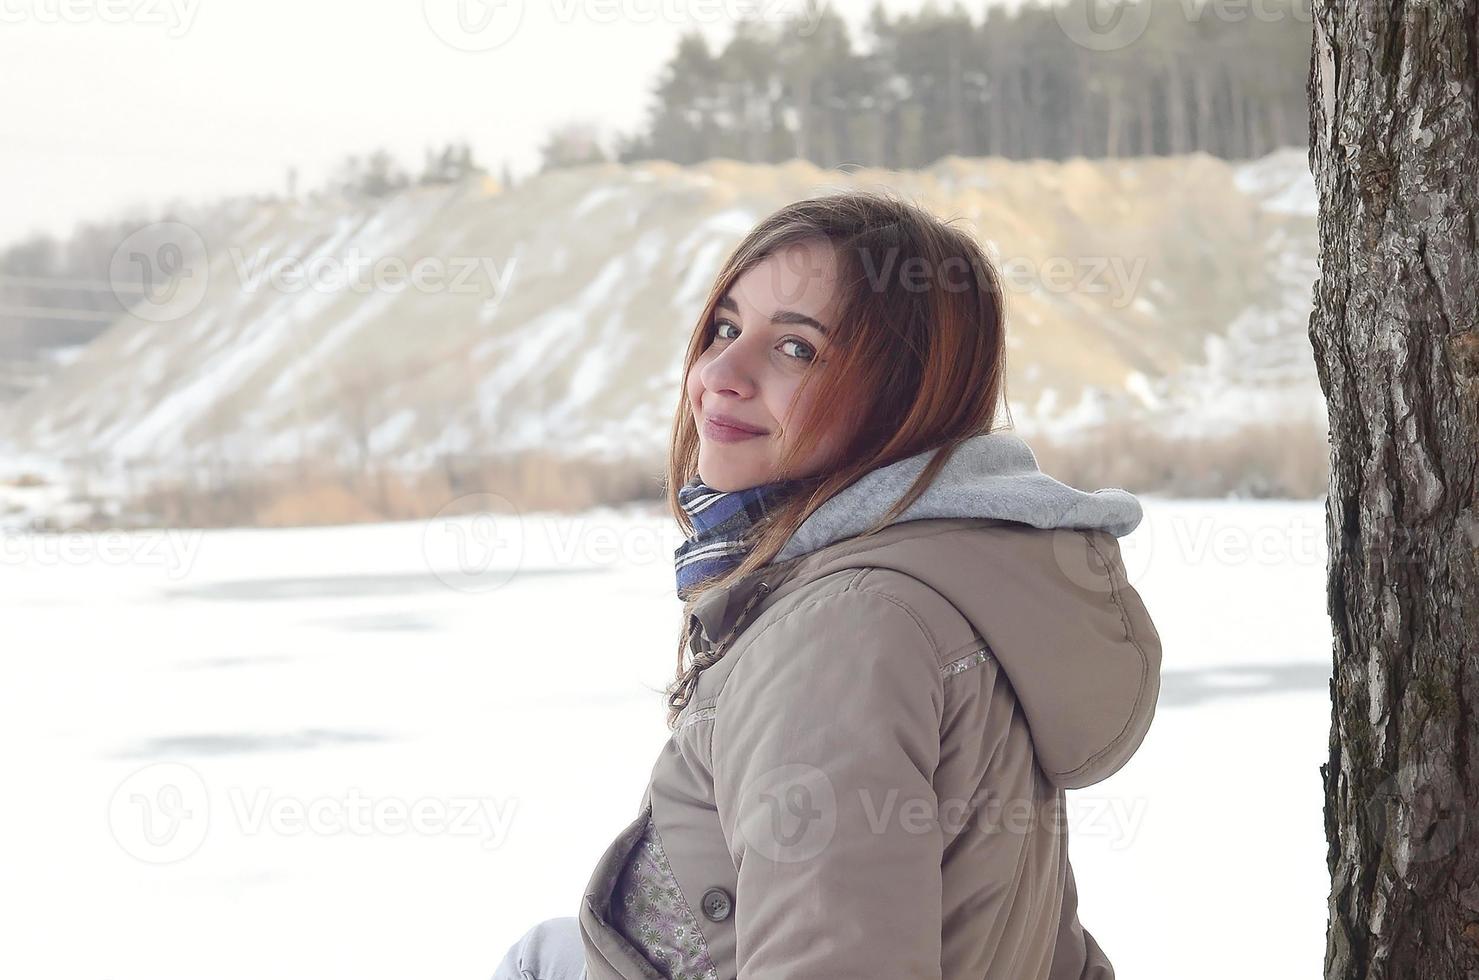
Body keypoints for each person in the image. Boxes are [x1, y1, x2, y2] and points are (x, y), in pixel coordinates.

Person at [492, 190, 1161, 980]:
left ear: (904, 396)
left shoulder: (843, 636)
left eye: (797, 350)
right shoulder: (967, 573)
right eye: (727, 328)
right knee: (546, 952)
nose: (718, 373)